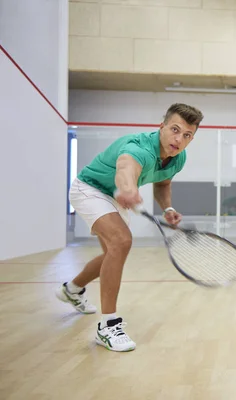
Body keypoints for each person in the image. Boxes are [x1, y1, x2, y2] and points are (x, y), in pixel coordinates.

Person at [56, 103, 204, 352]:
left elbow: (163, 183)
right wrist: (127, 189)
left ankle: (72, 289)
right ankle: (108, 326)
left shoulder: (178, 157)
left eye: (187, 135)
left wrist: (167, 209)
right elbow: (126, 166)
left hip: (113, 198)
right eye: (175, 130)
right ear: (162, 126)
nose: (179, 139)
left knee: (112, 252)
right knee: (122, 242)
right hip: (89, 188)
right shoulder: (139, 148)